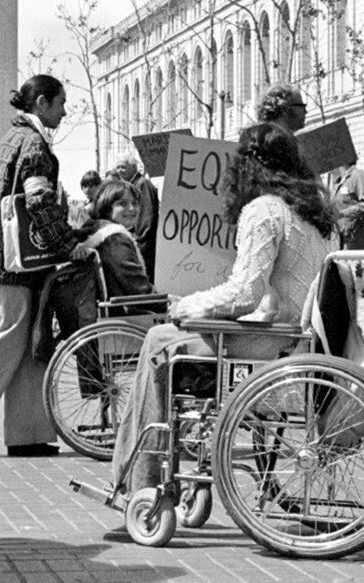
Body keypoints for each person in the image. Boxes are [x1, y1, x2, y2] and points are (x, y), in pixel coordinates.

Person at [111, 122, 339, 496]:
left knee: (158, 340)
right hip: (299, 340)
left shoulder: (265, 210)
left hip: (272, 345)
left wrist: (187, 306)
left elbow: (244, 294)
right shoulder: (317, 215)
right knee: (167, 340)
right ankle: (138, 474)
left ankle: (138, 481)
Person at [0, 74, 87, 457]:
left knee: (26, 347)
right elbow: (38, 201)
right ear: (41, 102)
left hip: (1, 261)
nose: (65, 111)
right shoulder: (34, 145)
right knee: (5, 345)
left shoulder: (13, 137)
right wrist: (68, 243)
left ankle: (30, 435)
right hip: (12, 267)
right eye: (61, 102)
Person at [76, 180, 152, 299]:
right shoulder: (115, 238)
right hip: (127, 312)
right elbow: (139, 289)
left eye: (135, 203)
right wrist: (173, 302)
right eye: (123, 203)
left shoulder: (97, 230)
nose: (132, 208)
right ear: (107, 208)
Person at [114, 152, 161, 282]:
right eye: (117, 167)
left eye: (122, 167)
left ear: (134, 167)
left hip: (144, 248)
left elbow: (147, 219)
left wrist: (138, 243)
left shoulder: (142, 184)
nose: (119, 171)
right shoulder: (130, 186)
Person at [333, 162, 364, 250]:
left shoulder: (360, 177)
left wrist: (342, 213)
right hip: (341, 241)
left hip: (357, 243)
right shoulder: (337, 182)